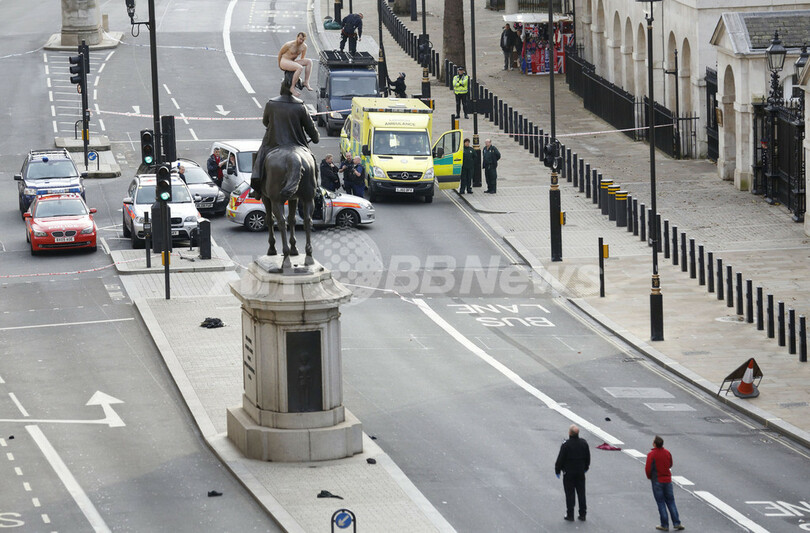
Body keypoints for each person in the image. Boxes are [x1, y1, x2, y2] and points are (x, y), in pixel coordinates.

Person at [250, 77, 320, 197]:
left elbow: (265, 122)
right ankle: (315, 187)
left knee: (259, 157)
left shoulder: (271, 104)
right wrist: (315, 138)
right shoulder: (300, 106)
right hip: (297, 143)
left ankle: (257, 188)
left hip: (274, 142)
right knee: (312, 161)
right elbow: (311, 129)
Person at [645, 436, 685, 531]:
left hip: (657, 481)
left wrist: (650, 477)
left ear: (654, 444)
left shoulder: (652, 454)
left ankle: (664, 525)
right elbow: (670, 464)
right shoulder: (667, 452)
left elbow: (648, 468)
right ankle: (677, 522)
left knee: (661, 503)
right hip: (667, 480)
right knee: (671, 501)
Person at [555, 424, 590, 522]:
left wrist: (557, 470)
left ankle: (570, 514)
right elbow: (588, 457)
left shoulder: (566, 445)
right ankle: (583, 514)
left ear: (570, 433)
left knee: (570, 494)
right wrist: (585, 467)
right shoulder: (583, 443)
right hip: (580, 472)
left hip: (569, 473)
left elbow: (560, 459)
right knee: (581, 493)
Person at [278, 32, 313, 97]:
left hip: (292, 62)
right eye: (300, 39)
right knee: (299, 68)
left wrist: (300, 63)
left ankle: (306, 82)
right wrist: (279, 65)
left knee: (309, 61)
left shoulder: (304, 46)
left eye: (303, 40)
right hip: (284, 61)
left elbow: (302, 58)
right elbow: (280, 54)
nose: (301, 41)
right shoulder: (289, 44)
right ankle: (292, 87)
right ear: (297, 37)